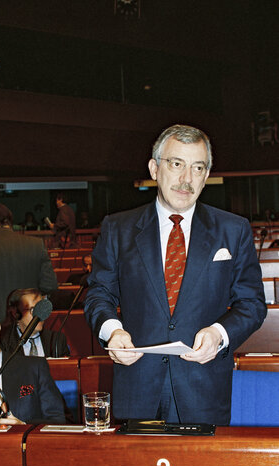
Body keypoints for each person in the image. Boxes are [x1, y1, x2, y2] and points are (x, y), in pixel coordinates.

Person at [85, 124, 267, 426]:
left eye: (198, 168)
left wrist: (220, 335)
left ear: (207, 175)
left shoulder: (233, 230)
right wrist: (112, 332)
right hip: (137, 387)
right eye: (176, 164)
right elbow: (99, 294)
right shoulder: (118, 229)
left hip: (204, 387)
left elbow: (252, 304)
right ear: (155, 169)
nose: (186, 179)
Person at [0, 288, 70, 358]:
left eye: (41, 309)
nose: (39, 315)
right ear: (16, 313)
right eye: (33, 310)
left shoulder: (56, 340)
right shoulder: (4, 343)